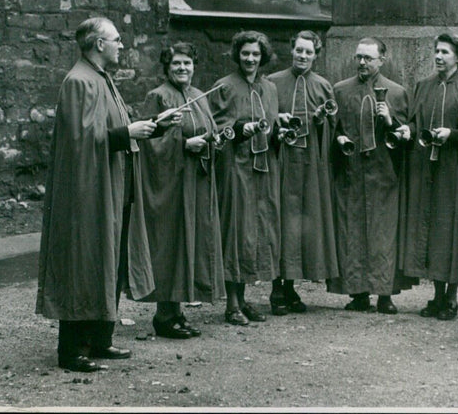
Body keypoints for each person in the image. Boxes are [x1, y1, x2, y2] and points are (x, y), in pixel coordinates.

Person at [36, 17, 157, 372]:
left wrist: (144, 130)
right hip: (88, 193)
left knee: (110, 260)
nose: (122, 45)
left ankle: (101, 338)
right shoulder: (79, 81)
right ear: (98, 44)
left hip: (113, 185)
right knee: (83, 261)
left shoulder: (102, 79)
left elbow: (105, 129)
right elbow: (81, 141)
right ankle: (72, 350)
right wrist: (127, 133)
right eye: (116, 39)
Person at [139, 41, 226, 339]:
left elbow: (209, 128)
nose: (182, 68)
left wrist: (213, 140)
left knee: (191, 243)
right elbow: (148, 142)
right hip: (170, 185)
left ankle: (178, 311)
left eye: (187, 63)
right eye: (176, 63)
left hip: (196, 182)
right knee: (171, 243)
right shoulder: (158, 97)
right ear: (167, 66)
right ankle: (164, 314)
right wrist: (183, 145)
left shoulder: (199, 96)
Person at [327, 36, 412, 314]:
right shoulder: (340, 90)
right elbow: (333, 128)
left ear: (381, 60)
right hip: (351, 175)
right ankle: (358, 293)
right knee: (352, 234)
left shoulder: (397, 92)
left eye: (368, 58)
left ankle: (385, 294)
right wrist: (338, 138)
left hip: (383, 175)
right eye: (359, 57)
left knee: (382, 236)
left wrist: (390, 120)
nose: (362, 63)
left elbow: (404, 136)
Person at [403, 32, 458, 320]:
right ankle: (436, 294)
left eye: (445, 52)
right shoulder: (423, 86)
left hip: (455, 171)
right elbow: (414, 120)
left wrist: (454, 134)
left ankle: (451, 297)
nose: (439, 56)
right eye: (437, 51)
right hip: (427, 169)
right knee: (433, 231)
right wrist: (406, 130)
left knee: (452, 232)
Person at [209, 30, 280, 325]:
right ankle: (232, 303)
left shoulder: (270, 88)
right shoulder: (224, 87)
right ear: (237, 55)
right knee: (236, 230)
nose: (250, 59)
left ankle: (245, 297)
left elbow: (272, 122)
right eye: (245, 53)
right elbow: (213, 125)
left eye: (255, 54)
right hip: (234, 168)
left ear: (263, 56)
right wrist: (240, 128)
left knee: (255, 233)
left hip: (262, 169)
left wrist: (278, 129)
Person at [266, 30, 339, 315]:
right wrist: (276, 125)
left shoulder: (323, 86)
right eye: (299, 50)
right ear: (291, 50)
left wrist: (322, 121)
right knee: (280, 221)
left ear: (315, 55)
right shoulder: (272, 82)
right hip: (281, 162)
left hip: (310, 164)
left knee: (300, 226)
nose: (303, 56)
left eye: (309, 52)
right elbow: (264, 119)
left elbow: (333, 128)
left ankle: (290, 285)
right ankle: (276, 287)